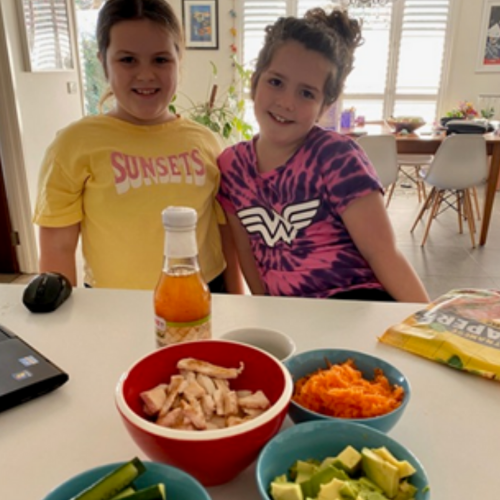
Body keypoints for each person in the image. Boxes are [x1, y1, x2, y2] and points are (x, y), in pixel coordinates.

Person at [217, 7, 429, 303]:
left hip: (356, 304)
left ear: (325, 106)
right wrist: (263, 307)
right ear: (255, 82)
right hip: (291, 314)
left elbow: (383, 253)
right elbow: (245, 251)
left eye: (306, 93)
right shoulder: (231, 166)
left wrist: (427, 325)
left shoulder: (338, 157)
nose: (287, 102)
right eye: (276, 82)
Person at [33, 0, 242, 293]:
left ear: (179, 61)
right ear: (103, 63)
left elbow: (225, 234)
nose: (145, 75)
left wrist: (235, 301)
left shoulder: (208, 142)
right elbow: (58, 245)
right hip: (115, 304)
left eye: (160, 60)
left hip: (202, 295)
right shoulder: (73, 145)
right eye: (128, 60)